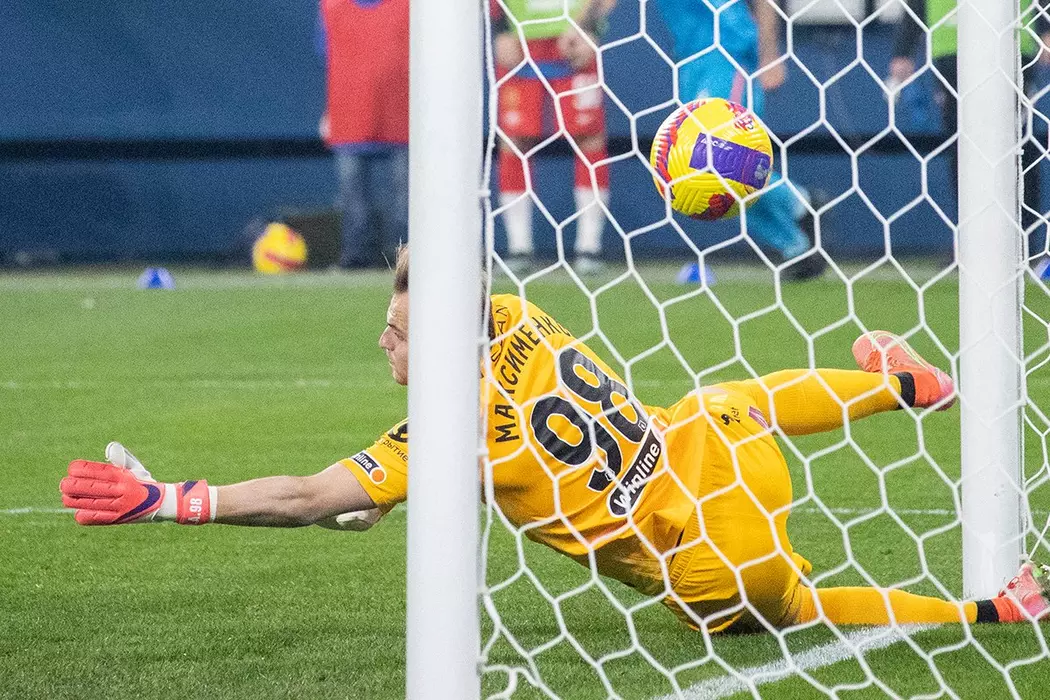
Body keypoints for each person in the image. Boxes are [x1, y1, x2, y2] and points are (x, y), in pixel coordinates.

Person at [61, 246, 1050, 632]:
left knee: (793, 608)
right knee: (726, 395)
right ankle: (905, 385)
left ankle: (991, 609)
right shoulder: (517, 314)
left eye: (397, 330)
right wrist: (382, 498)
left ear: (438, 339)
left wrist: (171, 500)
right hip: (717, 458)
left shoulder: (444, 435)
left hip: (703, 559)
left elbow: (307, 494)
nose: (382, 342)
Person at [653, 0, 826, 282]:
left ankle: (799, 206)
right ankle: (797, 241)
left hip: (728, 51)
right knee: (705, 173)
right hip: (690, 61)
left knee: (720, 161)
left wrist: (769, 55)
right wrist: (588, 29)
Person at [889, 0, 1050, 252]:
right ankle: (973, 244)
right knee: (963, 148)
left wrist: (1046, 25)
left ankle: (1023, 242)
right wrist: (903, 49)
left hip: (1011, 41)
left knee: (1017, 145)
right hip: (951, 47)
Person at [493, 0, 616, 276]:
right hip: (520, 36)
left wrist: (589, 27)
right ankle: (519, 248)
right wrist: (500, 29)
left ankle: (589, 248)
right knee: (514, 140)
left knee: (588, 137)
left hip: (574, 35)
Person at [318, 0, 409, 270]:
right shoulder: (331, 7)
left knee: (406, 193)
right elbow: (327, 56)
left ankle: (403, 259)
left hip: (401, 113)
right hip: (349, 113)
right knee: (352, 192)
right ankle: (355, 256)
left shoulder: (411, 6)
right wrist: (329, 111)